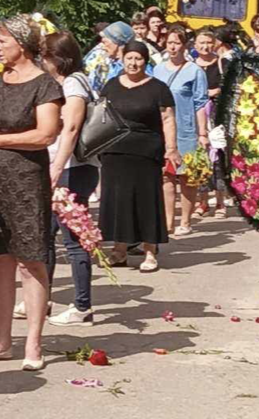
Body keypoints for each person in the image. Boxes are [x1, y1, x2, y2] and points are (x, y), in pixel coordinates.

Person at [0, 14, 63, 371]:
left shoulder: (44, 85)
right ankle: (2, 342)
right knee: (0, 260)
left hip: (26, 182)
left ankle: (33, 344)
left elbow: (46, 134)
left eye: (2, 40)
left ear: (22, 44)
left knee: (30, 261)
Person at [100, 40, 179, 272]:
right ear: (122, 59)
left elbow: (167, 119)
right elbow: (101, 116)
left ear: (145, 61)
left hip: (145, 152)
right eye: (129, 58)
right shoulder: (111, 85)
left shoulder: (158, 88)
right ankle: (119, 250)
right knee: (119, 201)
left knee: (146, 202)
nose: (133, 63)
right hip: (114, 152)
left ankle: (149, 251)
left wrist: (171, 148)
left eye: (138, 59)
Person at [42, 31, 99, 327]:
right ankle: (42, 298)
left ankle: (82, 306)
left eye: (45, 56)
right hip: (65, 167)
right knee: (46, 236)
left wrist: (56, 167)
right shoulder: (66, 82)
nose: (41, 61)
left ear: (57, 58)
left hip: (72, 169)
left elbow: (72, 128)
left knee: (74, 240)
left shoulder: (74, 84)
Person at [153, 26, 208, 235]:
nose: (173, 47)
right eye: (170, 43)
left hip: (186, 129)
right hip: (163, 130)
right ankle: (168, 221)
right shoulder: (158, 70)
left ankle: (185, 221)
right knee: (166, 176)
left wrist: (202, 133)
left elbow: (200, 103)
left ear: (185, 46)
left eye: (177, 43)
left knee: (186, 177)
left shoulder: (195, 71)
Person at [193, 30, 228, 218]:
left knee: (219, 157)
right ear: (195, 45)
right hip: (197, 116)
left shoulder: (222, 63)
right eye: (201, 42)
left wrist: (215, 92)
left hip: (217, 116)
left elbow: (231, 85)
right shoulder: (191, 66)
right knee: (201, 157)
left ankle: (221, 202)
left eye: (208, 42)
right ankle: (203, 201)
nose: (205, 46)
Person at [84, 21, 134, 92]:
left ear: (117, 43)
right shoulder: (101, 61)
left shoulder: (135, 67)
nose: (102, 46)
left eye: (105, 42)